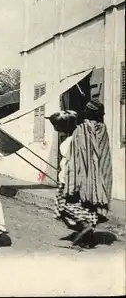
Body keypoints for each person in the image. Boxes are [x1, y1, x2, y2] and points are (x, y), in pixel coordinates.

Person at [48, 99, 113, 249]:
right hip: (95, 177)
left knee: (64, 206)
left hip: (76, 176)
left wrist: (73, 178)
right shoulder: (102, 129)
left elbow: (77, 157)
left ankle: (84, 227)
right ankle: (88, 238)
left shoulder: (82, 130)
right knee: (86, 207)